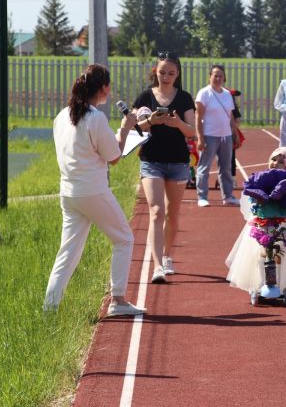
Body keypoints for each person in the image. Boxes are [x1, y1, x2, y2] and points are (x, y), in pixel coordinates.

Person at [44, 64, 145, 317]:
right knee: (124, 238)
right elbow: (114, 157)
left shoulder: (62, 116)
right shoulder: (96, 118)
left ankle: (50, 307)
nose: (110, 91)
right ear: (102, 88)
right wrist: (124, 129)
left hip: (68, 192)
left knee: (68, 251)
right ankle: (118, 300)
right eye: (108, 87)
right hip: (93, 191)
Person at [133, 51, 196, 283]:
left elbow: (192, 132)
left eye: (170, 73)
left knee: (172, 213)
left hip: (178, 161)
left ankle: (168, 255)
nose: (166, 77)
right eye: (162, 72)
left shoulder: (185, 98)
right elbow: (134, 128)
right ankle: (158, 266)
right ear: (155, 72)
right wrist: (152, 121)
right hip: (151, 160)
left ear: (177, 74)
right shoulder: (144, 97)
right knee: (157, 211)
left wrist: (177, 123)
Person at [225, 147, 286, 296]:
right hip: (262, 222)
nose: (276, 163)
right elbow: (248, 201)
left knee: (282, 252)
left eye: (282, 161)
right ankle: (260, 283)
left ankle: (280, 285)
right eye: (273, 159)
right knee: (259, 252)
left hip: (284, 223)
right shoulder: (261, 177)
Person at [195, 64, 241, 207]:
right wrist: (200, 138)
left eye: (220, 76)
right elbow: (198, 116)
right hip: (209, 135)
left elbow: (231, 117)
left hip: (225, 136)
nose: (218, 78)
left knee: (226, 168)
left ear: (224, 78)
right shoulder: (204, 93)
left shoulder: (227, 95)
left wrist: (235, 134)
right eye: (215, 75)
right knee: (204, 166)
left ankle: (228, 196)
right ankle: (202, 196)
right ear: (210, 76)